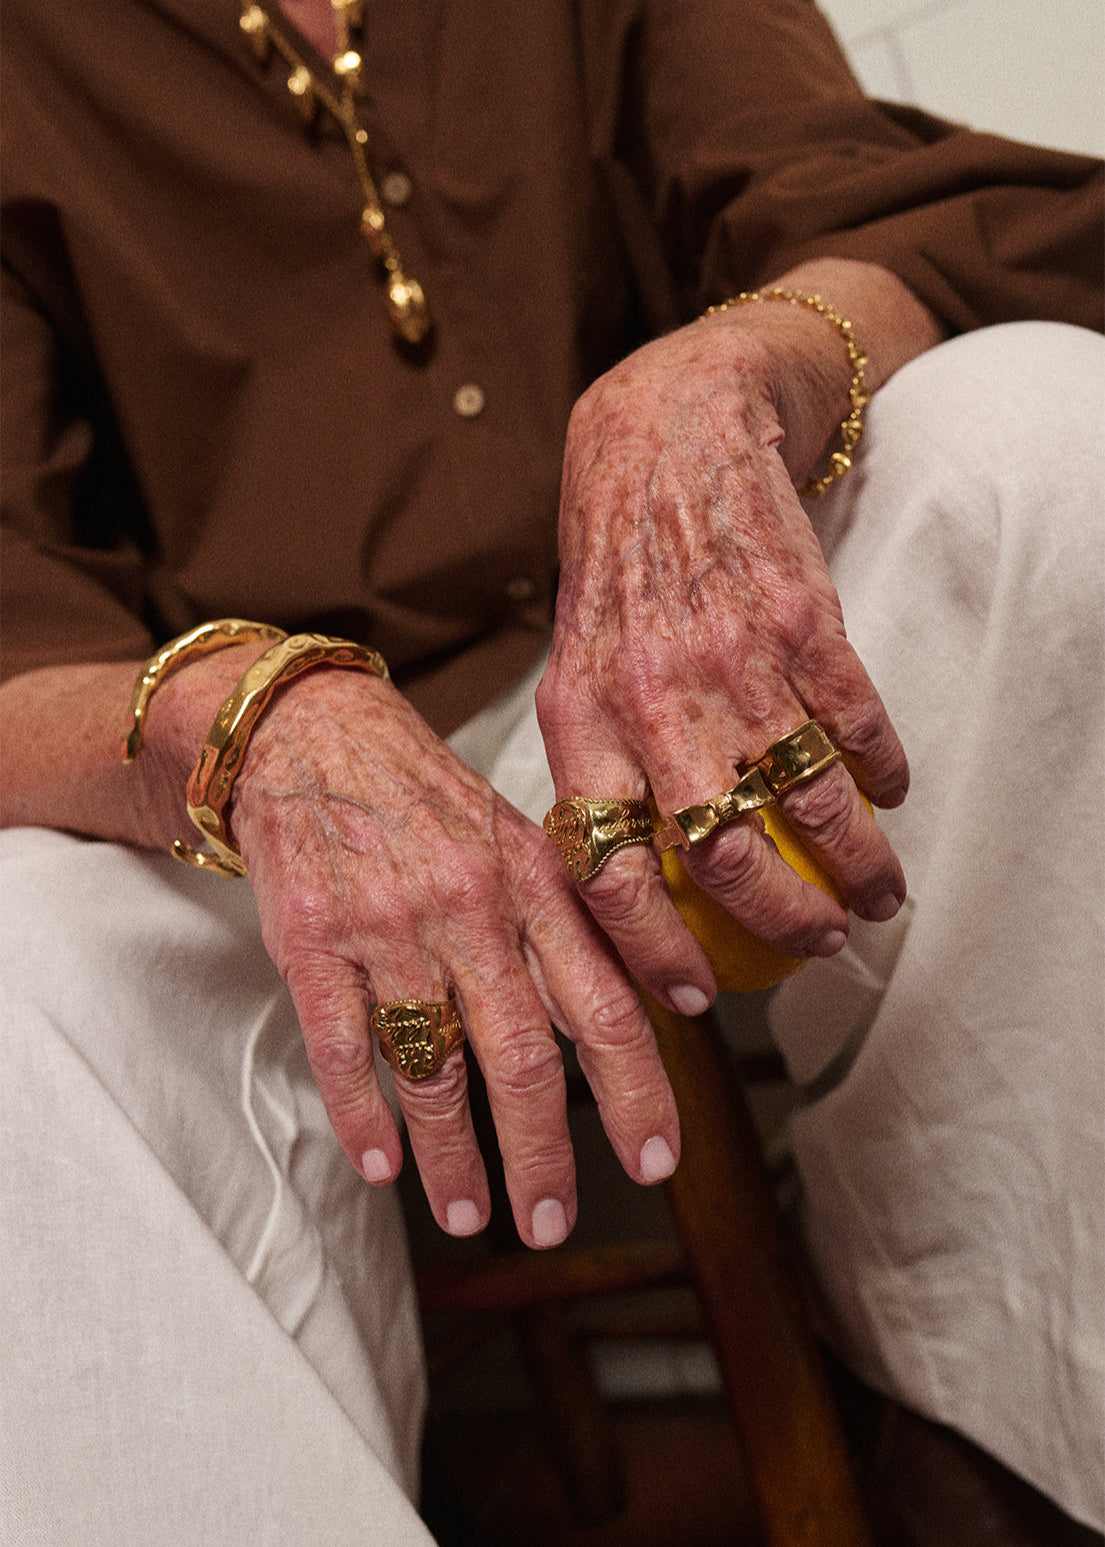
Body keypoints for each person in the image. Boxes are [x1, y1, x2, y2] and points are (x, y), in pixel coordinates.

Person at [1, 0, 1101, 1540]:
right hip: (245, 800)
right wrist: (253, 720)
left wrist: (722, 373)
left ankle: (1009, 1427)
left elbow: (841, 192)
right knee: (19, 950)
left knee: (1039, 436)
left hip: (674, 678)